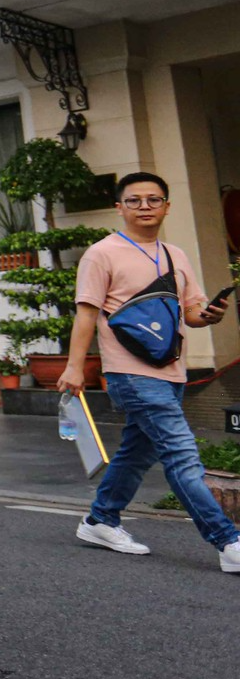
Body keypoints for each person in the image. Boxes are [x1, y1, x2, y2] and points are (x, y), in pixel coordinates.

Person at [61, 172, 238, 571]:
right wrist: (75, 367)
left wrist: (208, 316)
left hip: (171, 370)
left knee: (135, 454)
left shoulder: (175, 254)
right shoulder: (101, 253)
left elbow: (189, 312)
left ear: (167, 206)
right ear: (119, 207)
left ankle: (99, 520)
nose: (145, 207)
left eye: (154, 200)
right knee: (181, 456)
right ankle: (229, 541)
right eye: (136, 200)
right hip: (131, 374)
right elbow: (86, 313)